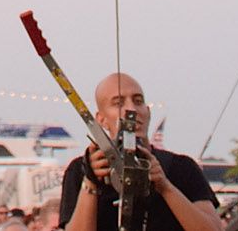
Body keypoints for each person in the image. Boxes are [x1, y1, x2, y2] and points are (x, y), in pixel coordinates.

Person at [53, 77, 220, 231]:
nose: (131, 109)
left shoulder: (181, 167)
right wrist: (90, 182)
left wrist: (165, 186)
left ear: (148, 111)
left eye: (138, 101)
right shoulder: (79, 170)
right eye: (118, 103)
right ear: (101, 119)